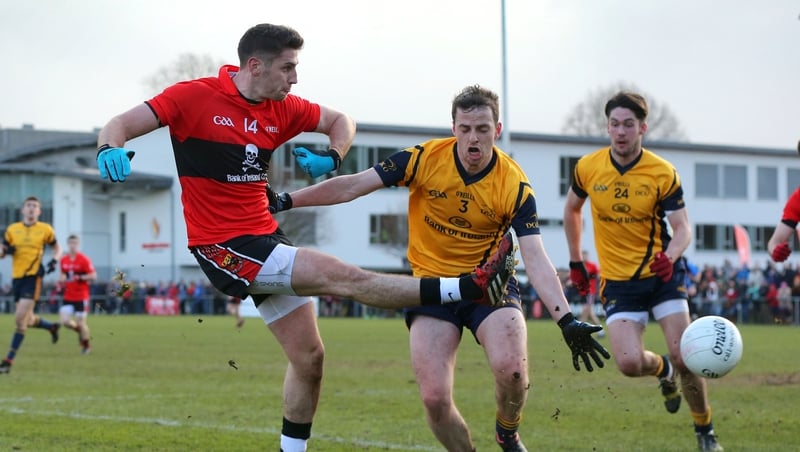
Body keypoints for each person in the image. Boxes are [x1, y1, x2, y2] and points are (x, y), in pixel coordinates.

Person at [94, 24, 514, 452]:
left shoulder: (281, 108)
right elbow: (119, 124)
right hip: (223, 245)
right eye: (288, 68)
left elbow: (341, 121)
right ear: (255, 66)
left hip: (265, 236)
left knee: (310, 358)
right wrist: (109, 147)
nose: (295, 78)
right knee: (343, 276)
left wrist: (333, 155)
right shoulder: (192, 97)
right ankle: (467, 287)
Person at [271, 84, 609, 452]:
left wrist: (566, 319)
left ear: (497, 130)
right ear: (453, 129)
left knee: (513, 372)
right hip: (431, 288)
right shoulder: (423, 159)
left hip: (487, 288)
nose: (473, 138)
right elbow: (353, 186)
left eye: (482, 129)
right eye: (465, 129)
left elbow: (535, 256)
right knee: (434, 399)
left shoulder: (514, 185)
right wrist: (287, 200)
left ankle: (508, 433)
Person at [563, 91, 723, 451]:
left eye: (628, 124)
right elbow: (572, 209)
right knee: (629, 363)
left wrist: (671, 256)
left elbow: (683, 228)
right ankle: (663, 370)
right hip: (619, 281)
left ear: (642, 128)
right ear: (607, 127)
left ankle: (705, 430)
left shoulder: (662, 171)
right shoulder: (588, 167)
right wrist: (575, 260)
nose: (621, 131)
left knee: (686, 356)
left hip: (661, 276)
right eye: (614, 124)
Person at [0, 196, 63, 374]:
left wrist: (54, 261)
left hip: (33, 277)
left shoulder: (45, 229)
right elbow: (1, 251)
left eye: (35, 206)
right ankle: (51, 326)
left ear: (39, 211)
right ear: (23, 210)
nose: (31, 208)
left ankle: (8, 361)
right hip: (17, 278)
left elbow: (57, 248)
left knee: (19, 318)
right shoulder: (13, 229)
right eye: (28, 205)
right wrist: (6, 251)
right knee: (27, 320)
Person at [58, 234, 97, 354]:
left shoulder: (84, 259)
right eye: (70, 243)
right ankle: (80, 331)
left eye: (75, 243)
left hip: (81, 296)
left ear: (78, 244)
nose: (72, 245)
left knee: (81, 322)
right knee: (65, 322)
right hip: (68, 295)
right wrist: (62, 279)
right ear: (67, 244)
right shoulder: (63, 260)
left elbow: (93, 275)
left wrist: (80, 277)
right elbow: (62, 274)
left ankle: (86, 345)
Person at [576, 249, 604, 338]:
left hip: (590, 291)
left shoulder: (593, 266)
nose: (584, 257)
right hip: (583, 292)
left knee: (585, 311)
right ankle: (601, 332)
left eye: (585, 255)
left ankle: (579, 331)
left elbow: (599, 276)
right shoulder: (579, 266)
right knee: (590, 313)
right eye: (582, 255)